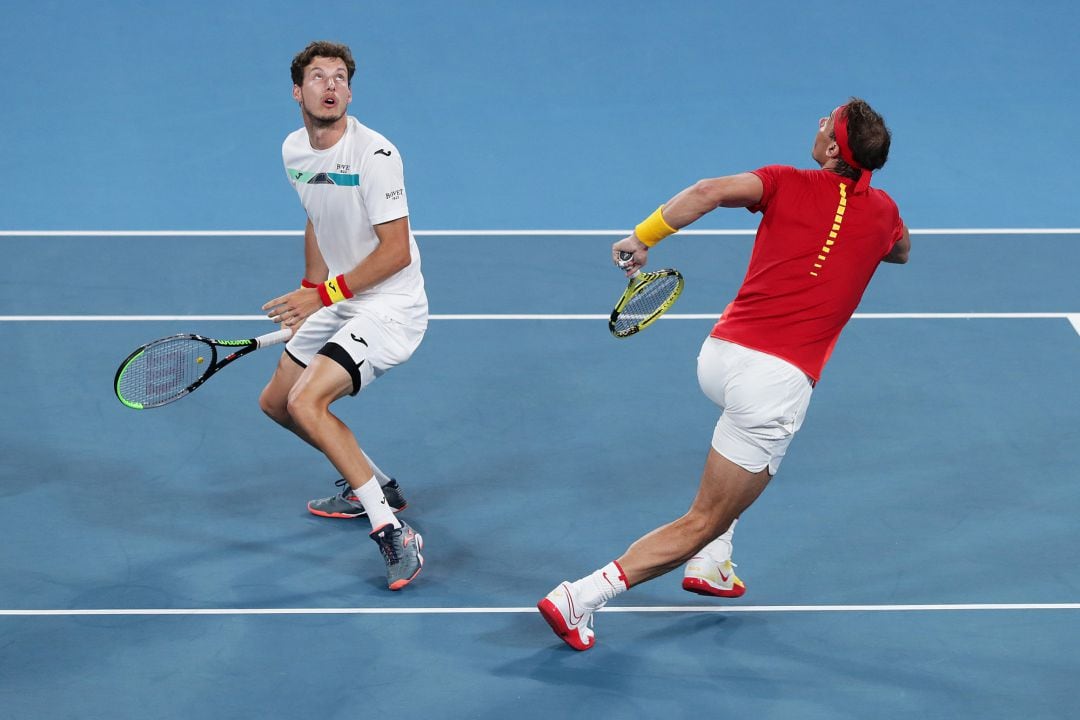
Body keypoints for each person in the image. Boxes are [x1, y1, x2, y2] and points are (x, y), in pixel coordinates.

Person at [538, 98, 911, 649]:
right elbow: (901, 253)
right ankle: (581, 597)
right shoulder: (884, 214)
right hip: (774, 385)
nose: (816, 124)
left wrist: (642, 237)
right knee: (704, 518)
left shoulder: (782, 181)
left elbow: (708, 191)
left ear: (833, 148)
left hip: (719, 357)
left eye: (824, 124)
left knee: (735, 448)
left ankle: (714, 564)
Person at [258, 41, 429, 591]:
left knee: (308, 401)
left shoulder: (377, 156)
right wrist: (311, 291)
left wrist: (323, 294)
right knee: (278, 404)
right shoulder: (293, 151)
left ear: (350, 92)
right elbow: (316, 215)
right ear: (297, 92)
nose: (330, 86)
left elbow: (395, 251)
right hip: (341, 297)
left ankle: (391, 528)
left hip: (391, 306)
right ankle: (378, 486)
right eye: (317, 77)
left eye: (339, 78)